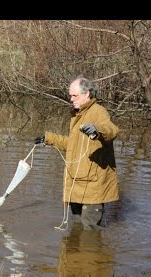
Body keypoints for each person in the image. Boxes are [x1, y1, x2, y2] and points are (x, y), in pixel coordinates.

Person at [35, 76, 120, 230]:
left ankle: (93, 253)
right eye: (70, 96)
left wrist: (98, 131)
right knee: (77, 228)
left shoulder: (99, 112)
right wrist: (49, 139)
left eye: (75, 96)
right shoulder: (77, 115)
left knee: (90, 232)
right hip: (76, 183)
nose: (71, 99)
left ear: (87, 94)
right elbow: (73, 145)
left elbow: (112, 130)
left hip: (93, 186)